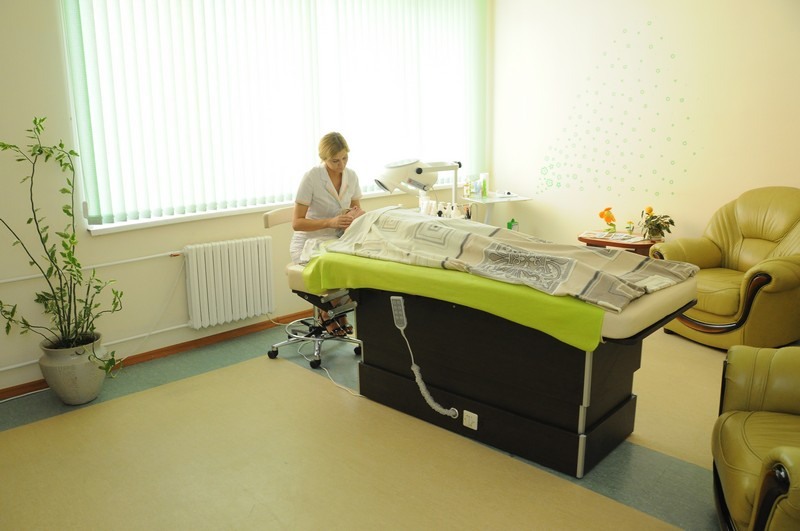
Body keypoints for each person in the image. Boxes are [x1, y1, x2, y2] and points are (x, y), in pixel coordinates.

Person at [290, 132, 364, 336]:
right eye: (335, 161)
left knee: (358, 262)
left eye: (345, 158)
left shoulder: (351, 176)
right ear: (324, 158)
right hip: (308, 243)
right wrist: (330, 222)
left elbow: (357, 208)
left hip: (336, 240)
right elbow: (297, 223)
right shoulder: (312, 177)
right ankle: (329, 314)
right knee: (335, 263)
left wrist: (356, 216)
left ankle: (334, 312)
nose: (341, 165)